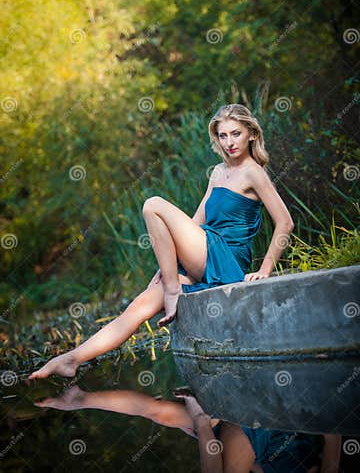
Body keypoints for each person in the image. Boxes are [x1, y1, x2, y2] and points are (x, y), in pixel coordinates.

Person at [28, 103, 294, 381]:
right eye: (222, 135)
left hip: (227, 257)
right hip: (205, 251)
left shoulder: (254, 173)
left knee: (152, 204)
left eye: (235, 134)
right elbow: (194, 224)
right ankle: (71, 359)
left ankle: (172, 290)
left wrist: (264, 270)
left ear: (251, 134)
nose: (229, 142)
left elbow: (285, 222)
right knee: (142, 303)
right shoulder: (217, 172)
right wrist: (169, 265)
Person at [33, 385, 341, 472]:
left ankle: (81, 399)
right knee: (168, 416)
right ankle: (204, 420)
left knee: (161, 415)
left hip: (245, 442)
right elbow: (332, 434)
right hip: (276, 429)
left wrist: (201, 425)